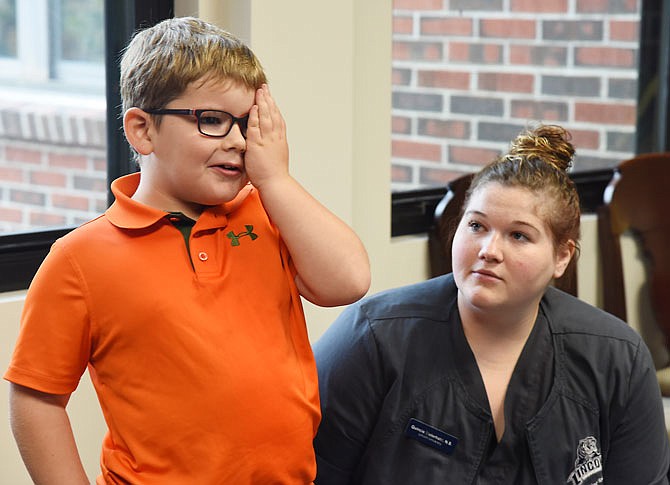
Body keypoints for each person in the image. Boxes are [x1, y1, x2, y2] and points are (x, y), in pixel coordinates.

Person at [4, 16, 370, 485]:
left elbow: (349, 282)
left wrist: (275, 179)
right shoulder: (80, 259)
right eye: (213, 121)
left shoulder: (268, 213)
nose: (238, 142)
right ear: (142, 131)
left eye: (248, 123)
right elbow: (36, 397)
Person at [312, 124, 670, 484]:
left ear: (562, 257)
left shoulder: (617, 359)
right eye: (477, 226)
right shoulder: (372, 339)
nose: (489, 251)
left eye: (519, 235)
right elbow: (305, 473)